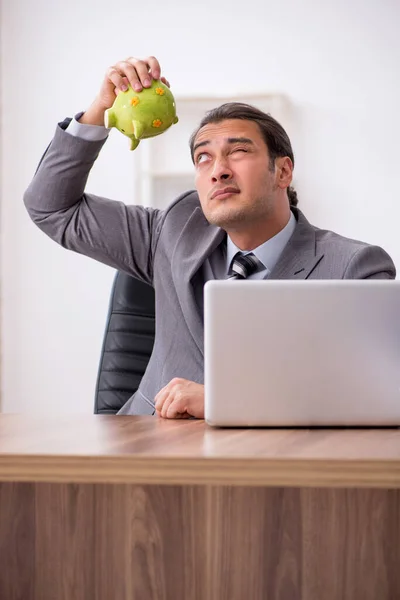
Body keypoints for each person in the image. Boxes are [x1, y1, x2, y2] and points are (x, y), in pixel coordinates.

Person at [23, 56, 396, 420]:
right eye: (203, 158)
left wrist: (225, 399)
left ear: (283, 172)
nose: (218, 170)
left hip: (277, 462)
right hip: (151, 450)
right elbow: (51, 208)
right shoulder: (174, 230)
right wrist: (99, 111)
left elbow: (376, 391)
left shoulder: (354, 268)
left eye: (237, 151)